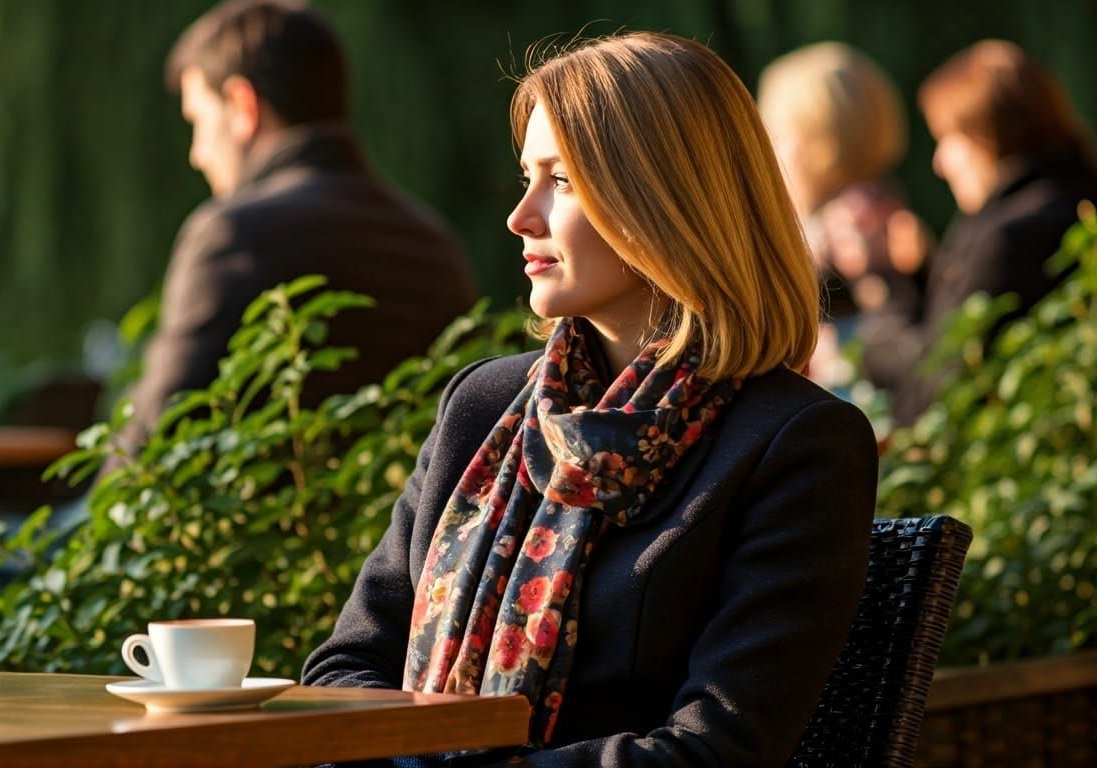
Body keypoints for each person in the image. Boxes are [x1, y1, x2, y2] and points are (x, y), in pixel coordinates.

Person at [302, 32, 878, 766]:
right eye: (526, 177)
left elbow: (718, 750)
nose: (521, 216)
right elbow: (345, 671)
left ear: (667, 199)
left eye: (562, 180)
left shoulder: (795, 444)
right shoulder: (484, 406)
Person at [117, 0, 476, 457]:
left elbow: (154, 437)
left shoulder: (230, 235)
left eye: (198, 122)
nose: (197, 153)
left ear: (242, 106)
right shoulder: (434, 244)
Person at [891, 40, 1097, 425]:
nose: (940, 164)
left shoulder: (1002, 240)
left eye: (947, 140)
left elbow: (933, 397)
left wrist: (893, 295)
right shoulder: (1078, 202)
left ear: (986, 136)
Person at [757, 42, 931, 392]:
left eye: (775, 136)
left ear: (817, 144)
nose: (769, 154)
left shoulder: (850, 223)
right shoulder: (885, 204)